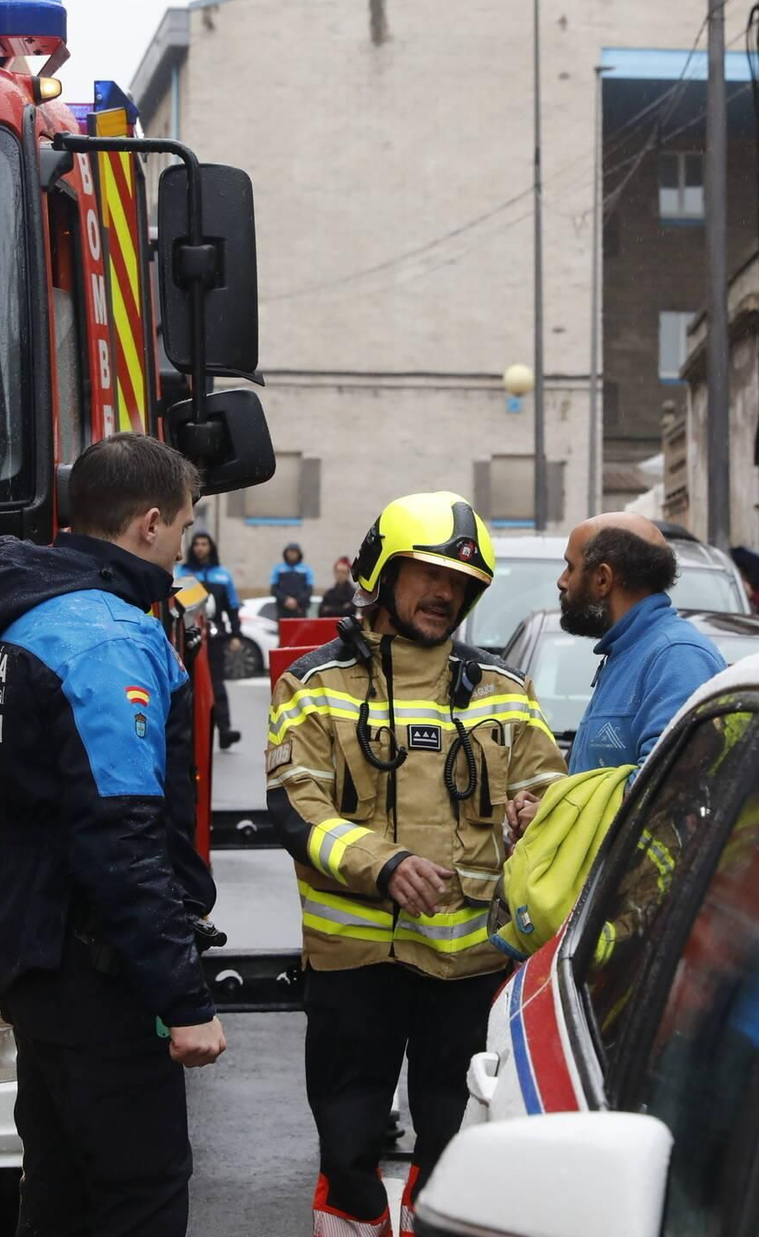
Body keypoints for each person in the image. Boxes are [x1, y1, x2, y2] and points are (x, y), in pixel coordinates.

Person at [264, 491, 565, 1237]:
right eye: (429, 575)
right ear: (381, 572)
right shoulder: (313, 686)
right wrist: (384, 862)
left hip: (465, 967)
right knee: (348, 1144)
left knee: (452, 1138)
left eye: (460, 583)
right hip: (354, 962)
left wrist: (539, 812)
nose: (445, 594)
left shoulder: (504, 690)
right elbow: (296, 806)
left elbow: (548, 789)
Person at [0, 434, 226, 1237]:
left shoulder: (28, 613)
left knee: (62, 1187)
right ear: (147, 523)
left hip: (32, 946)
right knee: (140, 1188)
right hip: (93, 966)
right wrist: (182, 999)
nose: (182, 544)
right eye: (182, 525)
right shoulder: (110, 638)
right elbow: (123, 837)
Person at [552, 513, 727, 781]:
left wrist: (563, 809)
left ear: (602, 579)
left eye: (570, 567)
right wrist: (547, 805)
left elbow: (658, 793)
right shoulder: (626, 650)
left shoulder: (677, 656)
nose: (562, 580)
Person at [180, 531, 245, 750]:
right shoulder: (183, 573)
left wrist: (236, 634)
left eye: (204, 544)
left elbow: (233, 607)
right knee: (188, 684)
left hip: (215, 638)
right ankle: (189, 731)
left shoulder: (222, 575)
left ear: (211, 547)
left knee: (217, 684)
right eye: (196, 544)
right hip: (187, 637)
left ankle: (224, 731)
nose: (200, 547)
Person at [271, 542, 315, 617]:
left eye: (294, 552)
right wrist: (285, 600)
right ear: (285, 553)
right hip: (283, 608)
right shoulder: (278, 568)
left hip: (300, 608)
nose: (291, 554)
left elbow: (309, 590)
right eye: (290, 552)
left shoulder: (306, 569)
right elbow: (274, 589)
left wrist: (296, 601)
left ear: (299, 554)